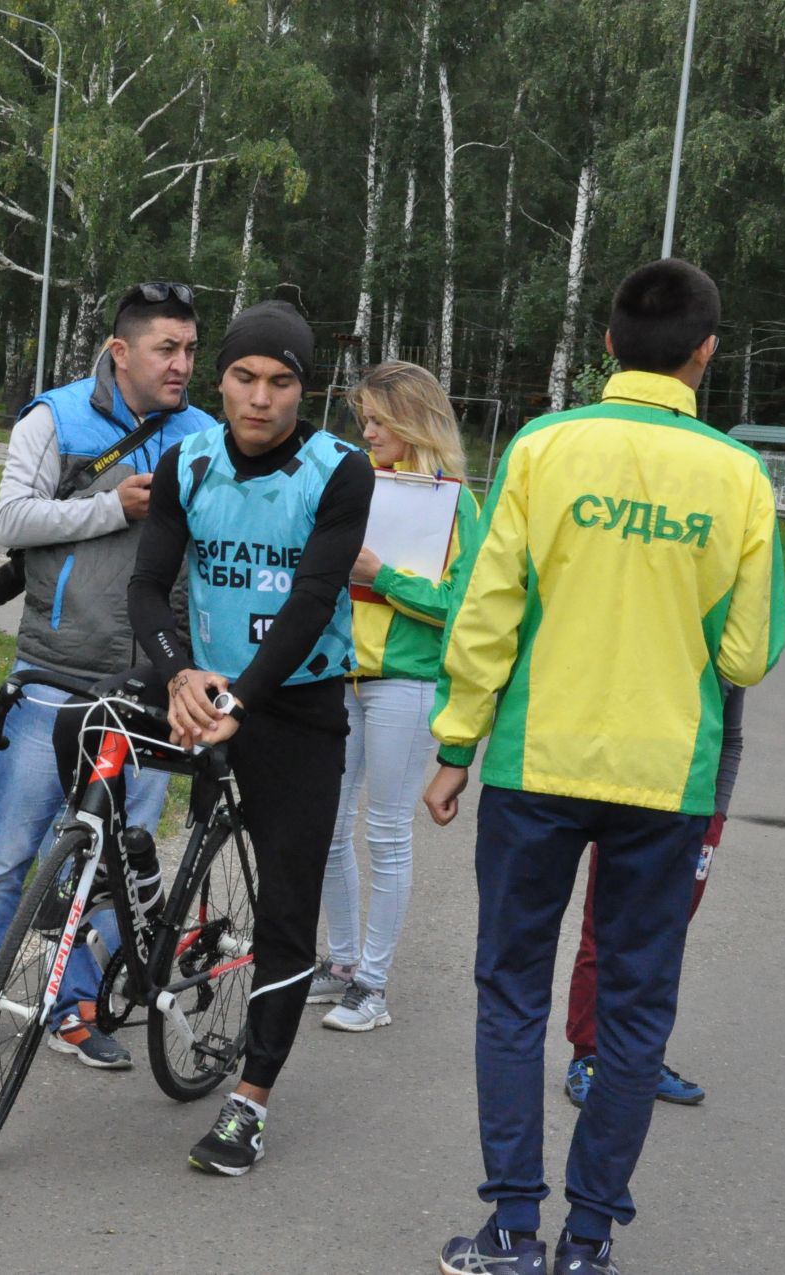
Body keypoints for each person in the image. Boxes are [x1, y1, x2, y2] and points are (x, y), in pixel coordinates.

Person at [425, 259, 785, 1275]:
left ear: (610, 346)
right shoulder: (739, 476)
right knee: (633, 1009)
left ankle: (508, 1230)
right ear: (705, 353)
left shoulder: (545, 448)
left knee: (512, 992)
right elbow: (748, 655)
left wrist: (457, 744)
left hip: (537, 766)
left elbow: (485, 613)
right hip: (667, 779)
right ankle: (586, 1243)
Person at [0, 281, 220, 1071]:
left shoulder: (205, 434)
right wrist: (113, 506)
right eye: (167, 348)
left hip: (150, 681)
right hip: (54, 669)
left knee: (117, 859)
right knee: (6, 851)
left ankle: (75, 1006)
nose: (184, 363)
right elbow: (11, 519)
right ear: (121, 352)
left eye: (190, 349)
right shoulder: (54, 417)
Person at [129, 299, 373, 1175]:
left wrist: (245, 699)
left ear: (305, 391)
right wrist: (180, 673)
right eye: (243, 378)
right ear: (218, 380)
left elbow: (313, 601)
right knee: (81, 735)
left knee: (286, 909)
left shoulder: (340, 469)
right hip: (202, 687)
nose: (260, 398)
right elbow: (150, 587)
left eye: (280, 383)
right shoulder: (185, 458)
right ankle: (123, 911)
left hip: (296, 705)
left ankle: (250, 1099)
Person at [309, 361, 481, 1032]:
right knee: (325, 829)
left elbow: (464, 606)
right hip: (337, 673)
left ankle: (374, 987)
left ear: (413, 421)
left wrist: (385, 578)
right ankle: (342, 964)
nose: (367, 430)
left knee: (384, 833)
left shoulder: (455, 501)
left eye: (379, 419)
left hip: (405, 682)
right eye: (364, 419)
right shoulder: (354, 484)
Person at [564, 684, 744, 1107]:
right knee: (604, 933)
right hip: (631, 804)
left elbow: (731, 738)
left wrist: (717, 811)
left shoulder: (728, 650)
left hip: (696, 813)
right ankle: (587, 1056)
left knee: (663, 939)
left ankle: (639, 1059)